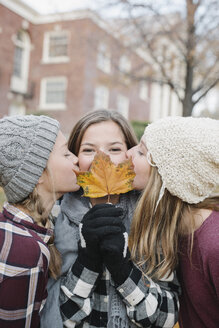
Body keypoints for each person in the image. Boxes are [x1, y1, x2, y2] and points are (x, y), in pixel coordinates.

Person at [41, 109, 180, 328]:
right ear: (75, 157)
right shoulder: (56, 214)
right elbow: (59, 317)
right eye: (88, 150)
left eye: (114, 148)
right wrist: (88, 260)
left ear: (130, 154)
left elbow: (168, 317)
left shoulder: (153, 214)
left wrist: (123, 269)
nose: (101, 159)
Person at [127, 116, 219, 328]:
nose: (128, 153)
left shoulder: (214, 244)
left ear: (169, 175)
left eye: (141, 152)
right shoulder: (176, 231)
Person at [0, 115, 80, 328]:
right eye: (65, 153)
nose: (76, 159)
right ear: (37, 173)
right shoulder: (27, 251)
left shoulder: (14, 229)